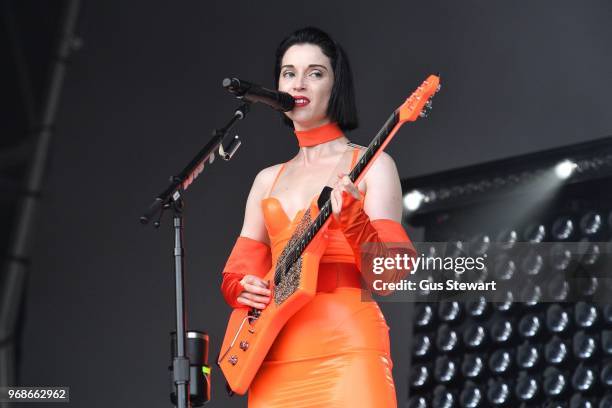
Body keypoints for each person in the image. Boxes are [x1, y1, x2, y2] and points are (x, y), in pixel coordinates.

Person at [220, 26, 415, 407]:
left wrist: (355, 218)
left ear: (336, 85)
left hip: (348, 347)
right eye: (289, 73)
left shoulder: (373, 165)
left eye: (315, 72)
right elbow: (236, 274)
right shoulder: (266, 180)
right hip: (273, 353)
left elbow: (391, 274)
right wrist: (241, 287)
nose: (299, 83)